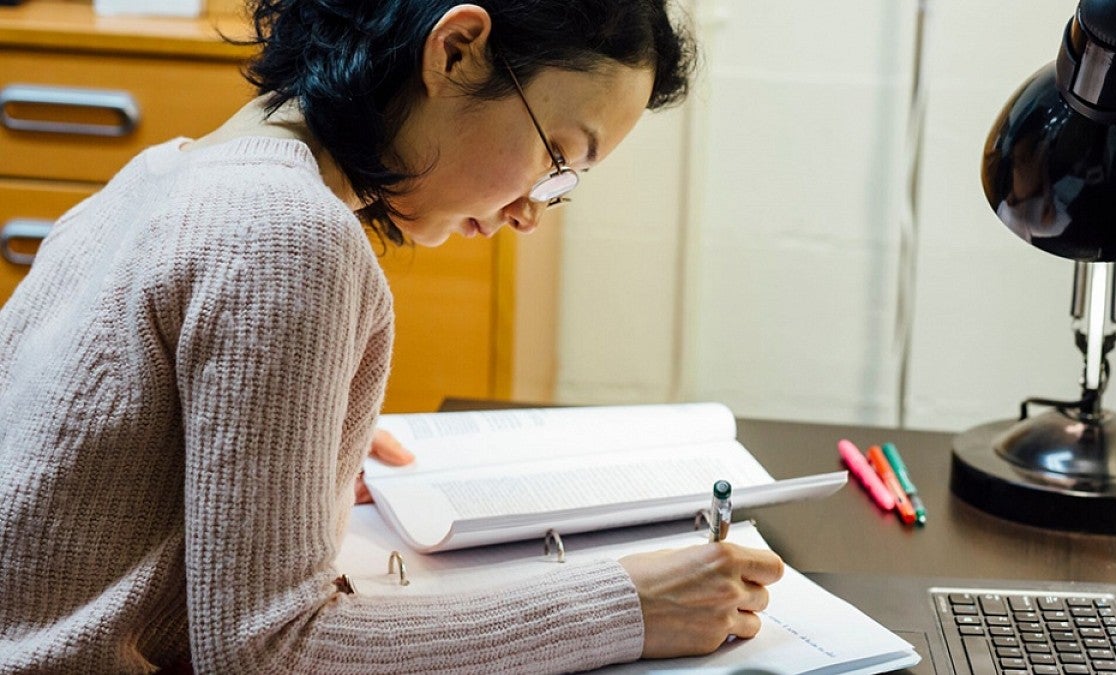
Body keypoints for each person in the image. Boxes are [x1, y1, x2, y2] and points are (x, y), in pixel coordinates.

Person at [0, 0, 785, 672]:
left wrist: (280, 446)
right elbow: (271, 652)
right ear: (455, 50)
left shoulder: (160, 177)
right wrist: (629, 604)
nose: (530, 213)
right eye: (558, 159)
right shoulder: (288, 235)